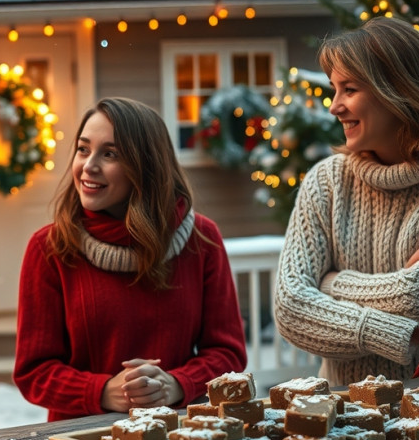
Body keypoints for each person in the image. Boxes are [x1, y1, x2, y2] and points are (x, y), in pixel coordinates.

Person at [273, 17, 419, 386]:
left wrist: (332, 284)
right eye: (334, 90)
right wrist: (387, 328)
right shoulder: (326, 181)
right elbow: (290, 310)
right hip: (346, 411)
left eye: (349, 89)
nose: (334, 107)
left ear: (401, 91)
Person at [14, 97, 248, 421]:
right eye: (83, 149)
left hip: (178, 436)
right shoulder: (50, 248)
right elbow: (34, 372)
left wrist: (176, 385)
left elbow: (228, 354)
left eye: (109, 154)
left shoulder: (201, 239)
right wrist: (102, 390)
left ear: (146, 166)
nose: (88, 166)